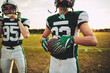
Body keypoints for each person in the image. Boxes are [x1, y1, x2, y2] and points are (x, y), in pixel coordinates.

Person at [40, 0, 97, 73]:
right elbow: (43, 37)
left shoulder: (77, 15)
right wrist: (43, 41)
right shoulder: (51, 19)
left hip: (69, 62)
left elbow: (93, 40)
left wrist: (72, 39)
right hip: (53, 61)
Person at [0, 1, 30, 73]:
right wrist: (0, 22)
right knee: (5, 71)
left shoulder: (24, 20)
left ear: (15, 9)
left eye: (11, 7)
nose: (9, 10)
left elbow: (25, 35)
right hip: (5, 50)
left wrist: (18, 20)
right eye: (6, 8)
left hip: (17, 49)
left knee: (22, 71)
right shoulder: (3, 21)